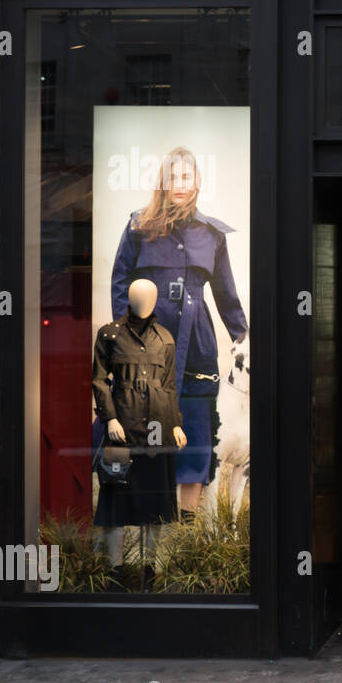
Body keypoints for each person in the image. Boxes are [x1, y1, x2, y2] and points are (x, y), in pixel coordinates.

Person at [110, 147, 249, 521]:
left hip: (198, 341)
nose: (180, 185)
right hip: (150, 338)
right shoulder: (139, 225)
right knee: (148, 429)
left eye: (187, 178)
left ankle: (186, 525)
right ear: (163, 182)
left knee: (197, 432)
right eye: (174, 177)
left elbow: (227, 294)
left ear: (197, 181)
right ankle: (149, 522)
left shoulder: (212, 233)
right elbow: (121, 281)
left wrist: (245, 339)